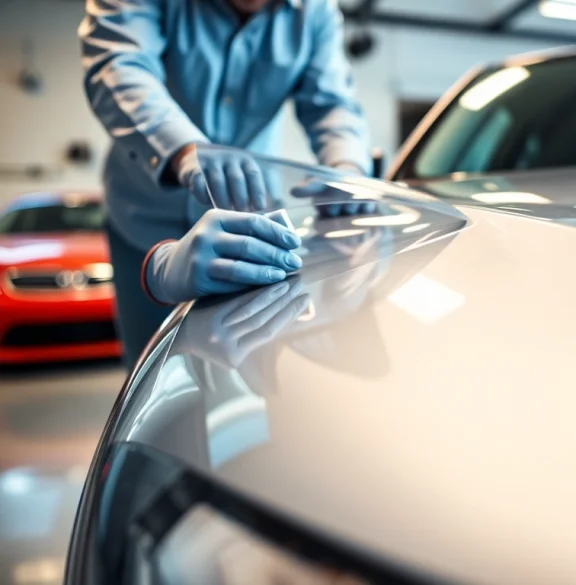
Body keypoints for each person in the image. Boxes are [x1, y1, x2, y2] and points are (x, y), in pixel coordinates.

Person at [79, 0, 373, 366]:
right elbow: (118, 66)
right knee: (152, 375)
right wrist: (183, 150)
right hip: (143, 220)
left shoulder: (316, 11)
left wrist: (346, 167)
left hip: (253, 228)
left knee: (251, 381)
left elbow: (332, 103)